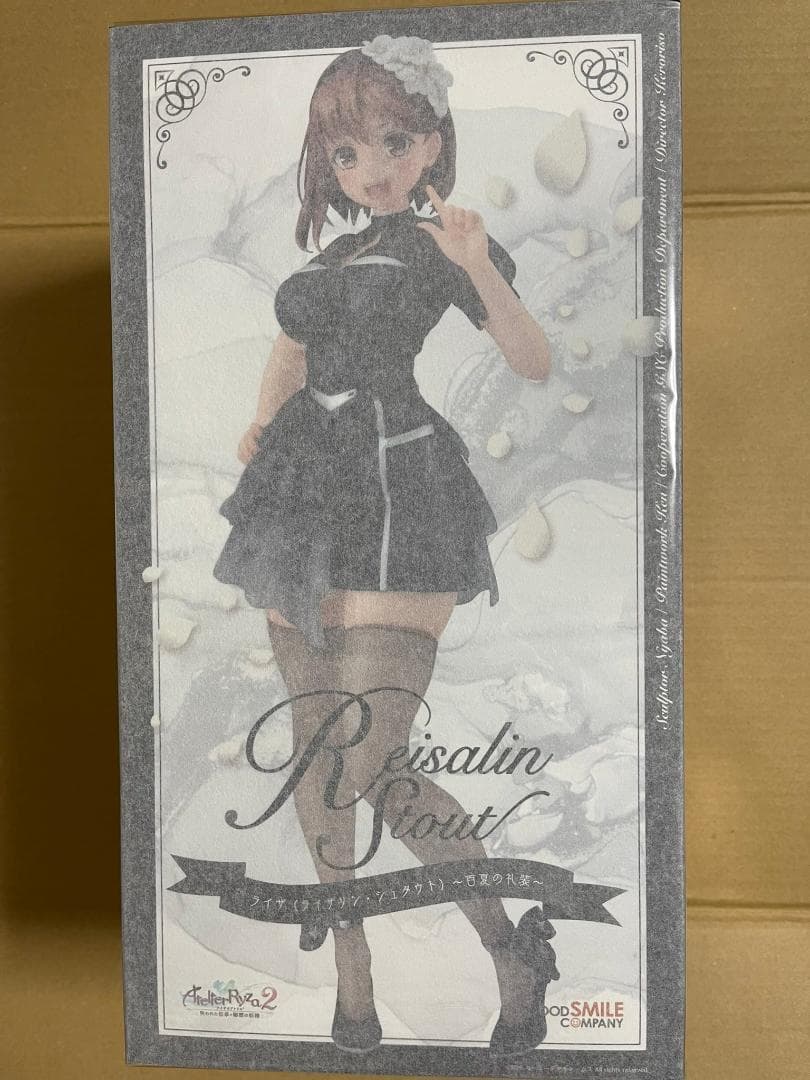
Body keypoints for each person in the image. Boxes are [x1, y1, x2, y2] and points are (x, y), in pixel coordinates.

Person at [213, 35, 557, 1056]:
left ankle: (504, 947)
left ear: (432, 142)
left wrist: (476, 267)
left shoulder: (444, 242)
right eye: (347, 153)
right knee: (327, 755)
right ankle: (357, 969)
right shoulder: (326, 260)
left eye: (394, 143)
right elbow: (290, 347)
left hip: (403, 490)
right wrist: (261, 421)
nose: (371, 169)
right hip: (299, 498)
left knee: (360, 760)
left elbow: (533, 360)